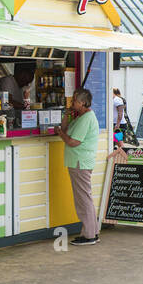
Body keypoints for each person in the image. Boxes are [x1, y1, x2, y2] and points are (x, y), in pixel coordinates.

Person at [56, 88, 101, 246]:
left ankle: (89, 235)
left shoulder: (86, 118)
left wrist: (61, 134)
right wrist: (66, 117)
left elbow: (73, 141)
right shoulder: (81, 117)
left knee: (83, 199)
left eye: (74, 100)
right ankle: (92, 232)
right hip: (79, 162)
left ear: (82, 102)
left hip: (80, 162)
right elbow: (66, 129)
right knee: (85, 198)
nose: (72, 103)